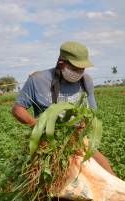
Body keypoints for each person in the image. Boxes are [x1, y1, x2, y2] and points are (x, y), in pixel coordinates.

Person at [11, 41, 115, 175]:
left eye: (82, 69)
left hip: (77, 140)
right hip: (48, 144)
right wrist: (38, 126)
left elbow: (91, 112)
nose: (79, 73)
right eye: (76, 69)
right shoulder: (37, 80)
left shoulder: (86, 81)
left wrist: (83, 126)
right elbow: (17, 109)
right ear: (61, 63)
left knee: (106, 171)